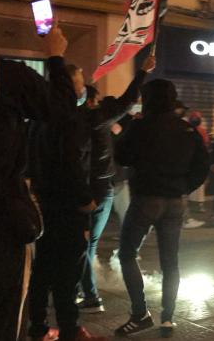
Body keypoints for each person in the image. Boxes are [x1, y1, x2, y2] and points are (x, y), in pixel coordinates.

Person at [0, 23, 91, 341]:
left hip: (31, 205)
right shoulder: (6, 77)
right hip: (4, 217)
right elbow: (59, 110)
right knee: (6, 311)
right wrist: (54, 55)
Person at [114, 79, 209, 337]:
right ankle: (167, 317)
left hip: (147, 198)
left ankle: (140, 314)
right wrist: (183, 187)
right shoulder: (186, 129)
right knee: (170, 260)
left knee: (127, 253)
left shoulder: (141, 126)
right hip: (175, 201)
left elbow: (120, 155)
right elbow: (202, 166)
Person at [78, 56, 155, 314]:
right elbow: (127, 101)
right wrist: (142, 72)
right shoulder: (94, 120)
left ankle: (84, 291)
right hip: (97, 187)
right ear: (91, 101)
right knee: (87, 242)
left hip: (88, 187)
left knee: (84, 241)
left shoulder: (73, 121)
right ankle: (87, 292)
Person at [186, 111, 210, 216]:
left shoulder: (200, 131)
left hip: (195, 161)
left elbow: (205, 144)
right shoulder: (195, 130)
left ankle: (197, 205)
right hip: (192, 161)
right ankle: (196, 205)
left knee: (199, 185)